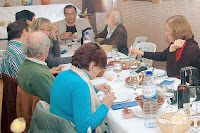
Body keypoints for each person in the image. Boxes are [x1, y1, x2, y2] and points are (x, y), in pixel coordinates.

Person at [50, 43, 114, 132]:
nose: (97, 74)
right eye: (99, 69)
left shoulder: (63, 74)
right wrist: (105, 105)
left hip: (58, 127)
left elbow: (73, 97)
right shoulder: (81, 85)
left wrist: (95, 88)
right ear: (92, 65)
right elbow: (85, 128)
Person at [129, 15, 200, 78]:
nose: (165, 33)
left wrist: (172, 50)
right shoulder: (177, 42)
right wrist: (141, 52)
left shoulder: (191, 48)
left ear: (176, 32)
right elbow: (162, 56)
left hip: (190, 87)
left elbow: (172, 73)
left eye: (168, 30)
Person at [18, 31, 56, 104]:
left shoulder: (26, 64)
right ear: (46, 49)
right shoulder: (40, 75)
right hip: (46, 112)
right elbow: (55, 102)